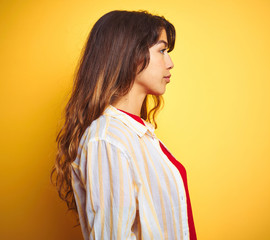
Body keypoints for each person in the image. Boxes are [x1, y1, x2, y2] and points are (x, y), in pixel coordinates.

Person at [51, 10, 197, 239]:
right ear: (131, 55)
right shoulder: (107, 140)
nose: (170, 63)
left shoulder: (139, 133)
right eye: (162, 50)